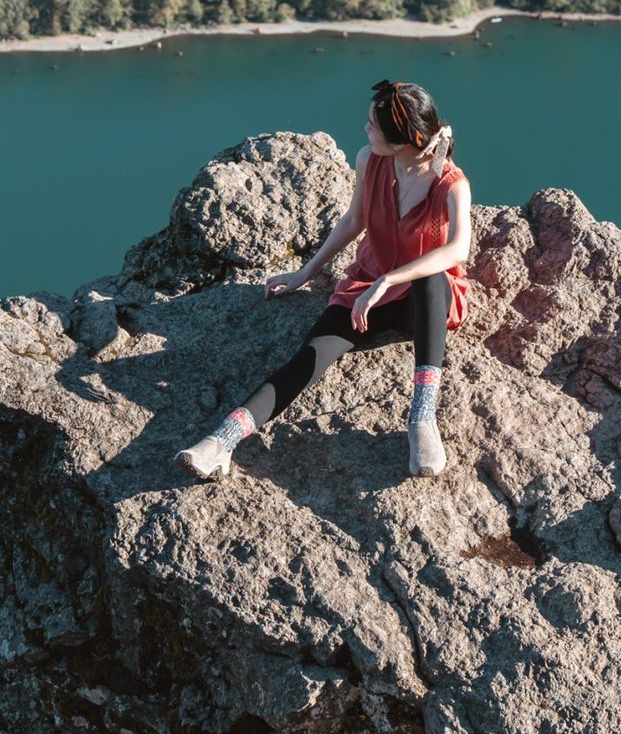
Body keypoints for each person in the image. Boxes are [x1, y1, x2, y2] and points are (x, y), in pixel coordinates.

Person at [175, 77, 471, 482]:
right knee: (307, 359)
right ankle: (221, 442)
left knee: (432, 277)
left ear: (403, 139)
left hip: (421, 301)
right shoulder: (371, 159)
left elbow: (457, 250)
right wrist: (304, 274)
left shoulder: (451, 184)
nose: (365, 128)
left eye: (373, 124)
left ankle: (422, 418)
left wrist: (389, 281)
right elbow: (354, 222)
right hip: (363, 290)